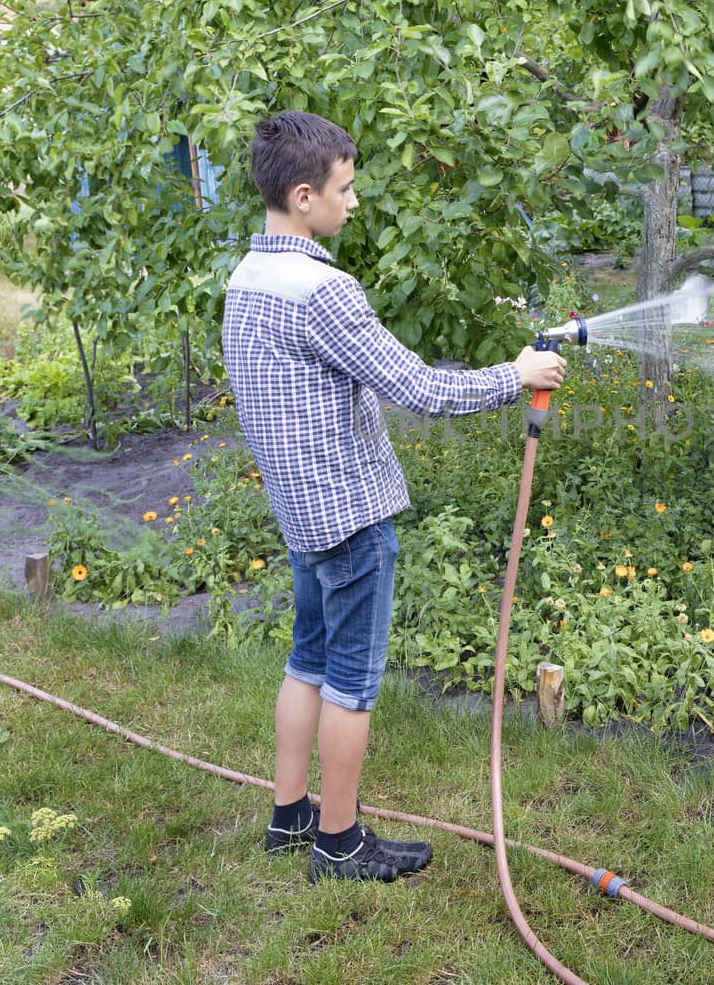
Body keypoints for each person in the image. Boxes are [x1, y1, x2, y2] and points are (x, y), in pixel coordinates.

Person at [221, 111, 565, 884]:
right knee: (350, 682)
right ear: (304, 196)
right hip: (351, 515)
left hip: (302, 512)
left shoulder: (247, 278)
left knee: (306, 661)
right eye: (345, 188)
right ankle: (338, 845)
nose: (355, 201)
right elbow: (418, 388)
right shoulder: (322, 292)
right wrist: (516, 376)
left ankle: (290, 817)